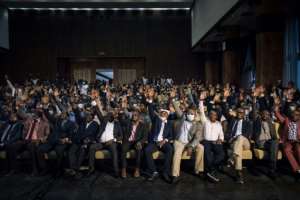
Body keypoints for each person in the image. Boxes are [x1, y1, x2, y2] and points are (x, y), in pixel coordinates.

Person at [6, 109, 50, 176]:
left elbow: (47, 135)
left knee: (31, 146)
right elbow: (23, 123)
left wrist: (40, 140)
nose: (33, 115)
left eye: (35, 114)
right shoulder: (29, 121)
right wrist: (24, 135)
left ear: (40, 115)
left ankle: (35, 170)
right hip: (25, 140)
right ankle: (14, 169)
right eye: (33, 114)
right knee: (11, 146)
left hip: (35, 141)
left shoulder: (45, 123)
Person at [171, 96, 204, 183]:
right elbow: (176, 108)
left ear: (195, 115)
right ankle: (175, 175)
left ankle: (198, 170)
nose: (190, 115)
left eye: (192, 113)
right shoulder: (182, 118)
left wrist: (191, 146)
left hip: (189, 143)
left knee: (201, 148)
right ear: (186, 113)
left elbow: (197, 138)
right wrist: (173, 99)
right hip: (179, 142)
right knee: (177, 152)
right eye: (189, 113)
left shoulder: (198, 124)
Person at [87, 99, 122, 178]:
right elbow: (99, 113)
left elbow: (121, 136)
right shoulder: (104, 121)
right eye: (108, 115)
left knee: (114, 151)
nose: (109, 116)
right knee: (92, 147)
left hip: (111, 143)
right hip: (101, 143)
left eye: (111, 115)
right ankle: (91, 169)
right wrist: (95, 104)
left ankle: (116, 171)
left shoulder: (117, 124)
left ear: (113, 117)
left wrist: (114, 140)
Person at [144, 98, 173, 183]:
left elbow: (171, 136)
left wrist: (165, 140)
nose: (163, 114)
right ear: (160, 113)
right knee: (147, 150)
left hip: (163, 143)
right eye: (162, 112)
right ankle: (154, 171)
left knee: (170, 149)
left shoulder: (169, 124)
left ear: (167, 115)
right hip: (154, 142)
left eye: (165, 113)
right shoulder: (155, 119)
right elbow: (151, 111)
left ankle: (165, 172)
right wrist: (150, 102)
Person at [199, 92, 225, 183]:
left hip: (215, 142)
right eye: (211, 114)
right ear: (209, 115)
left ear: (217, 116)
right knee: (208, 156)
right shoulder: (205, 121)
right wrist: (201, 101)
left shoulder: (218, 124)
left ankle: (210, 170)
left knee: (221, 155)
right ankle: (211, 172)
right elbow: (201, 111)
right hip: (206, 141)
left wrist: (220, 139)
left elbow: (221, 134)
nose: (213, 116)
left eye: (214, 115)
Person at [274, 97, 300, 178]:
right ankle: (297, 169)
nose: (295, 116)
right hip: (288, 141)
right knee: (286, 149)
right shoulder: (287, 120)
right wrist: (276, 105)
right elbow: (277, 113)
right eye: (293, 114)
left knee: (298, 149)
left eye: (297, 115)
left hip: (297, 141)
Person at [226, 107, 252, 184]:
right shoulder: (232, 121)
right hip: (234, 143)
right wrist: (229, 139)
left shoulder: (247, 123)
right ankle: (239, 174)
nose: (240, 114)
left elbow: (247, 135)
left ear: (244, 114)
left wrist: (237, 137)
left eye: (242, 112)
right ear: (236, 113)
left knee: (240, 137)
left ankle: (231, 157)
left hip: (245, 143)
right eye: (238, 112)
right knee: (238, 152)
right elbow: (228, 133)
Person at [120, 110, 147, 178]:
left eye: (135, 115)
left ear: (138, 117)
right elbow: (121, 120)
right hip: (128, 141)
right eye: (133, 115)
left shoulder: (143, 125)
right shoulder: (128, 123)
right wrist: (121, 111)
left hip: (137, 141)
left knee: (139, 149)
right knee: (123, 149)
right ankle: (123, 169)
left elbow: (144, 137)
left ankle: (137, 169)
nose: (133, 116)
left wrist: (140, 142)